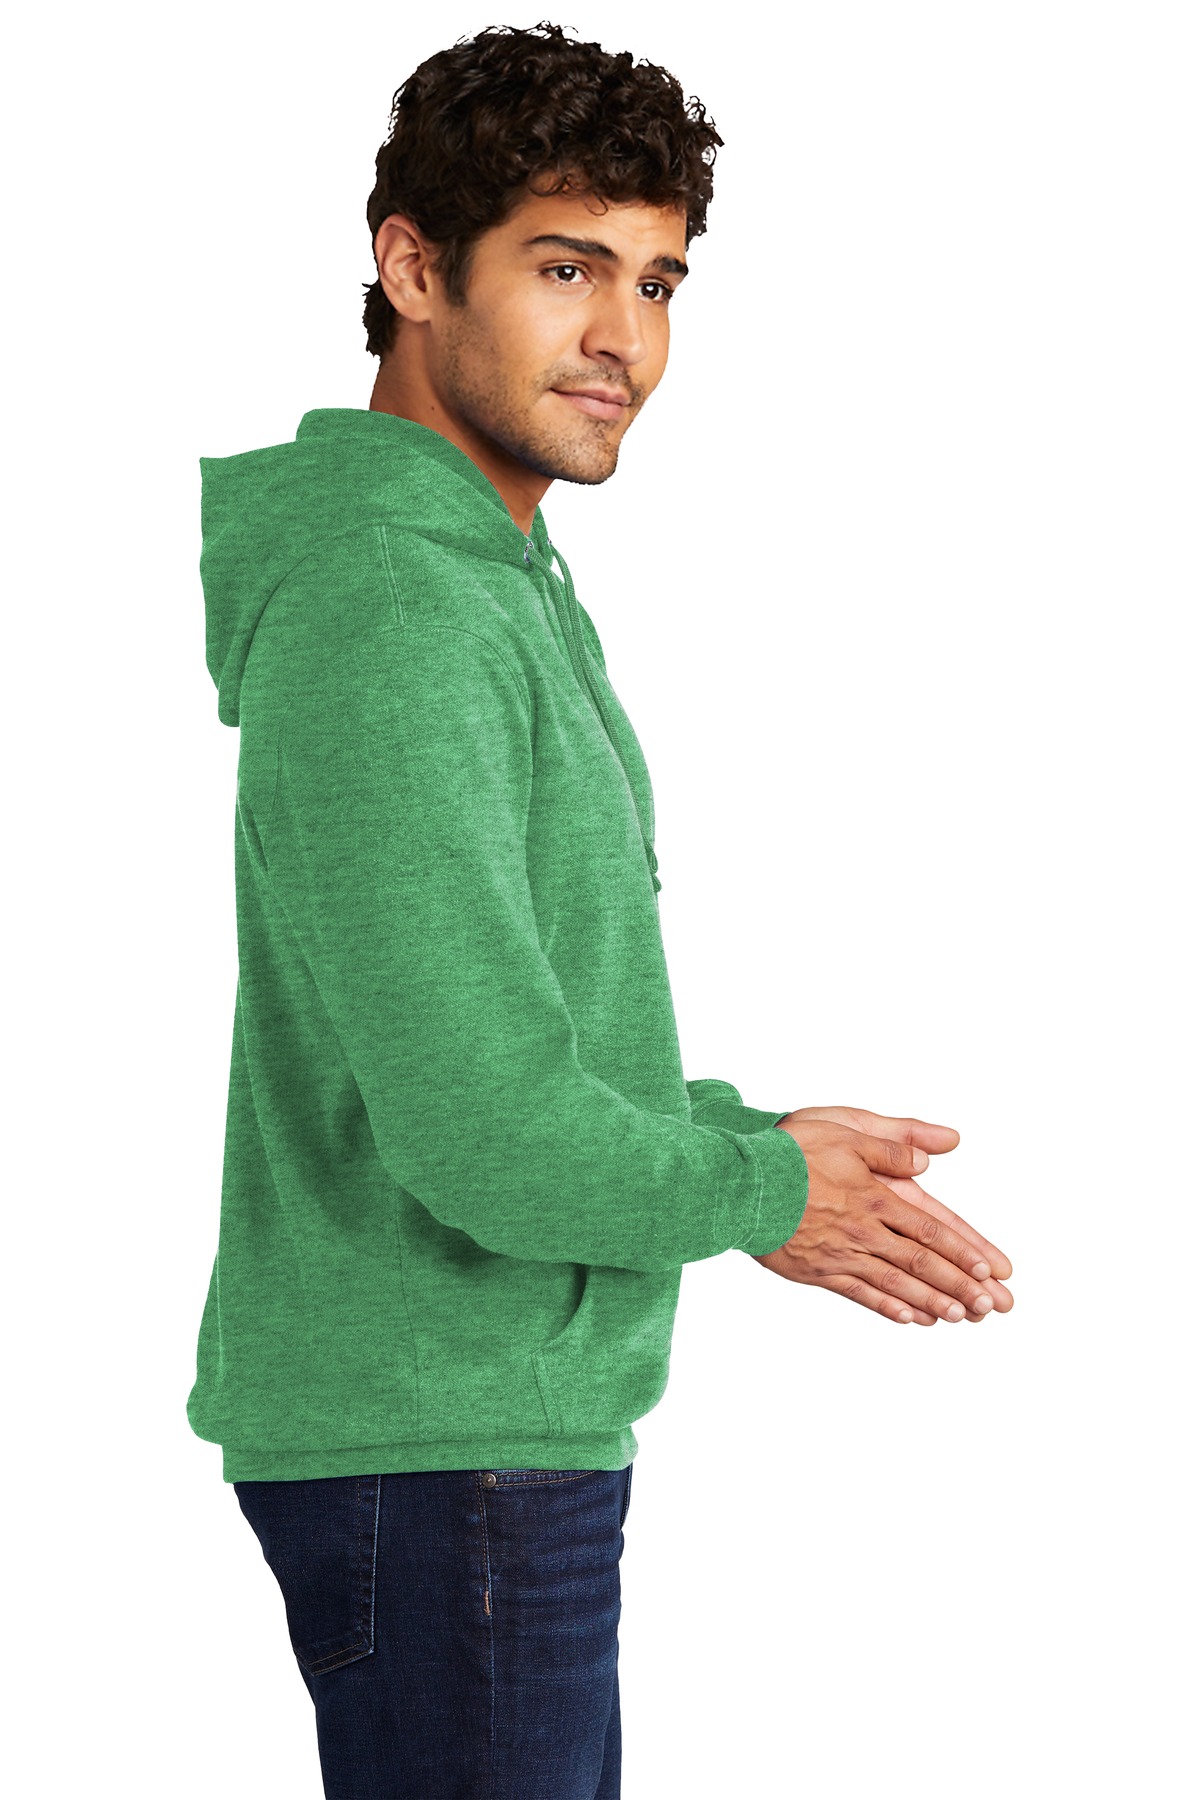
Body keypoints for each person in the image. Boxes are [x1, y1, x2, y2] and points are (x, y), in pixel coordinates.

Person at [187, 21, 1014, 1798]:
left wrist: (738, 1138)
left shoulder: (487, 579)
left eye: (659, 281)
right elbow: (481, 1130)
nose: (625, 338)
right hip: (449, 1451)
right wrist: (765, 1193)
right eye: (566, 268)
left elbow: (505, 1036)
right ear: (415, 268)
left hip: (474, 1443)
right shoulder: (396, 604)